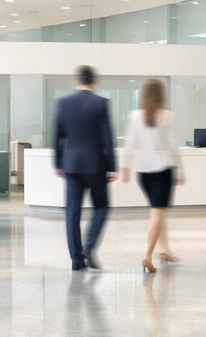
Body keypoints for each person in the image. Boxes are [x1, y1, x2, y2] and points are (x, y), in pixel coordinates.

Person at [53, 65, 117, 270]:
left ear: (76, 80)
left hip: (71, 164)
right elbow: (108, 137)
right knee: (102, 206)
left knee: (72, 212)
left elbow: (57, 136)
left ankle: (76, 260)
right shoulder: (101, 104)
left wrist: (58, 163)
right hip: (95, 164)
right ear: (94, 81)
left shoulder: (63, 103)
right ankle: (89, 246)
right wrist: (112, 166)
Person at [121, 78, 184, 273]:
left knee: (158, 211)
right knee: (157, 212)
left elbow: (130, 143)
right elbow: (171, 145)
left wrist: (125, 167)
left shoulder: (136, 116)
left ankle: (164, 251)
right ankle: (147, 255)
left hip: (143, 173)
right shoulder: (167, 116)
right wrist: (180, 168)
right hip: (162, 169)